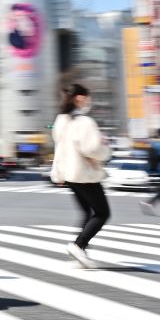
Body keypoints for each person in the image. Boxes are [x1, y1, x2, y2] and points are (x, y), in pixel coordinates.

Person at [50, 83, 111, 269]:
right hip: (85, 173)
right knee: (102, 213)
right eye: (88, 97)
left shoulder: (61, 121)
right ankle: (79, 245)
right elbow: (92, 148)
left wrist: (58, 172)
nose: (89, 101)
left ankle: (80, 251)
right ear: (80, 98)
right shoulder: (85, 122)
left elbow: (59, 148)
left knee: (87, 212)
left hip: (69, 174)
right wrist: (105, 149)